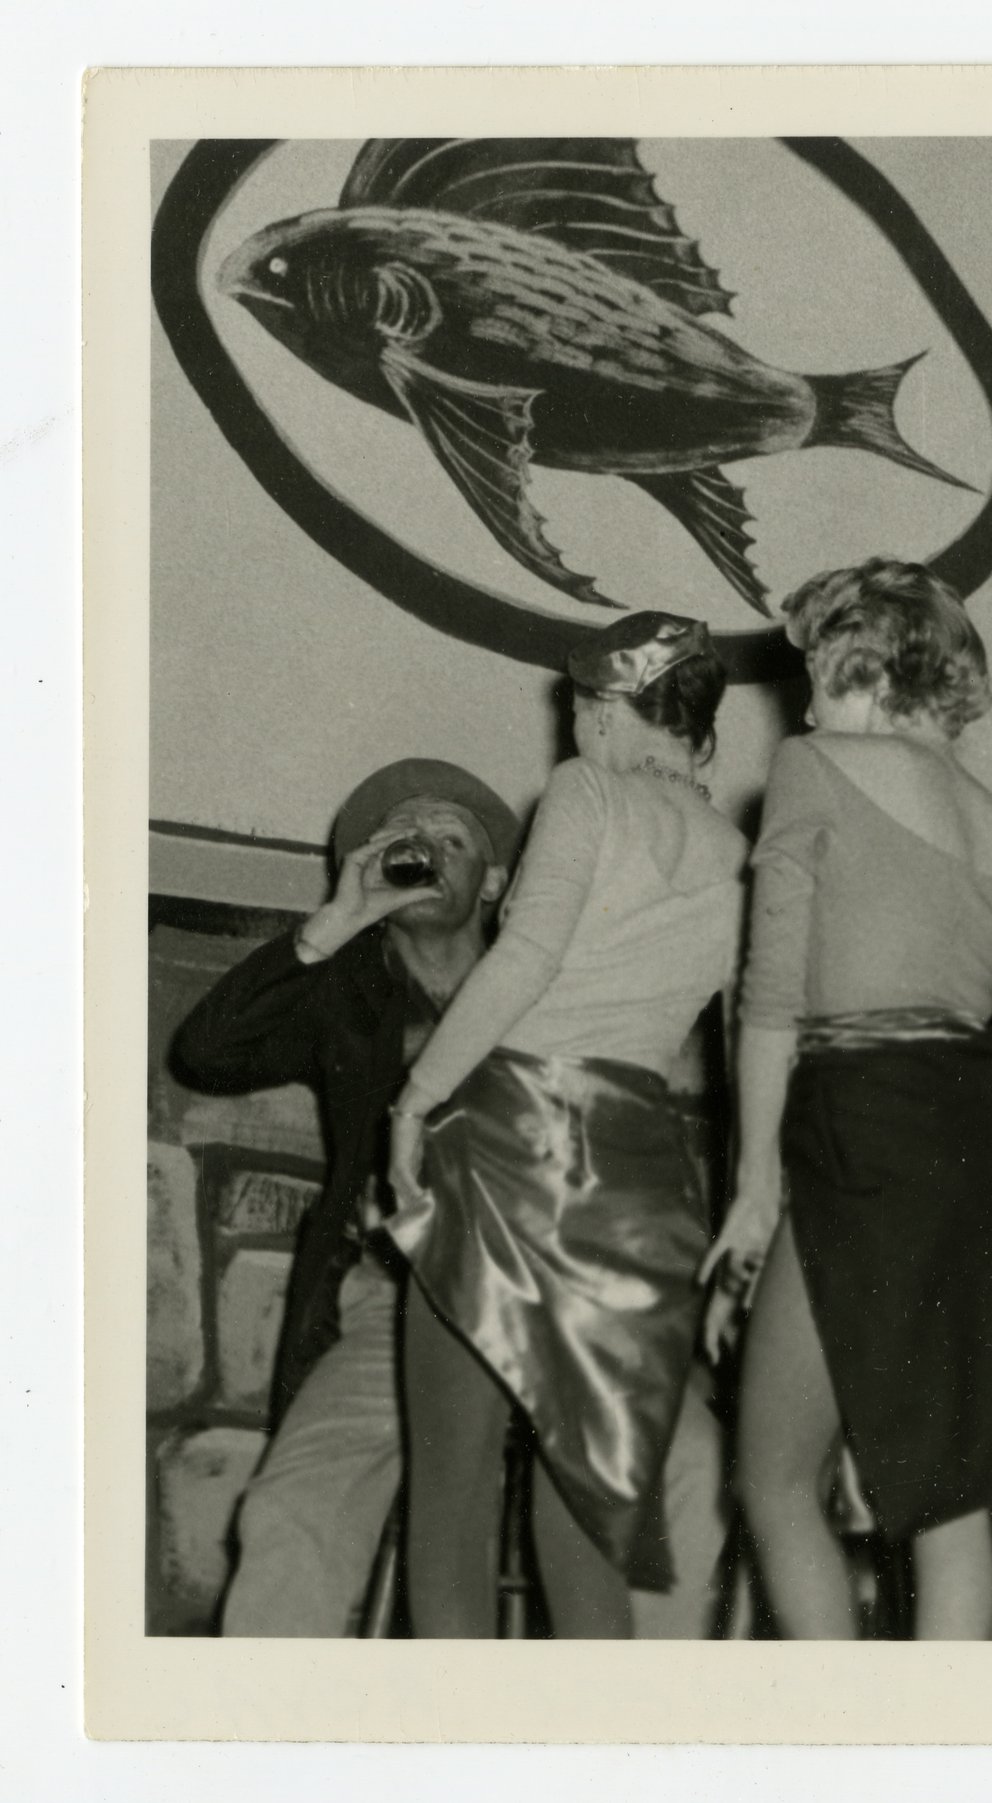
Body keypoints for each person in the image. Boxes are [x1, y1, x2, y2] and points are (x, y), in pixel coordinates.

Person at [172, 759, 732, 1638]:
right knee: (293, 1508)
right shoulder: (350, 998)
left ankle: (644, 1736)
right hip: (399, 1307)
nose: (426, 848)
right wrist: (337, 919)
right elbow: (204, 1052)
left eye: (454, 836)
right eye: (405, 835)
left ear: (499, 880)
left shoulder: (559, 975)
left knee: (692, 1472)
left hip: (568, 1300)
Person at [704, 558, 992, 1641]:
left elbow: (769, 1003)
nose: (801, 706)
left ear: (861, 672)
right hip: (986, 1151)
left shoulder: (815, 767)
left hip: (862, 1124)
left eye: (812, 675)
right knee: (950, 1512)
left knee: (770, 1477)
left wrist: (754, 1185)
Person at [386, 614, 747, 1638]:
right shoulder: (739, 853)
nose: (576, 730)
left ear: (604, 711)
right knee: (588, 1508)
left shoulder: (586, 793)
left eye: (581, 709)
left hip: (509, 1141)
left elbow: (524, 958)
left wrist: (416, 1099)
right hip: (637, 1176)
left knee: (450, 1493)